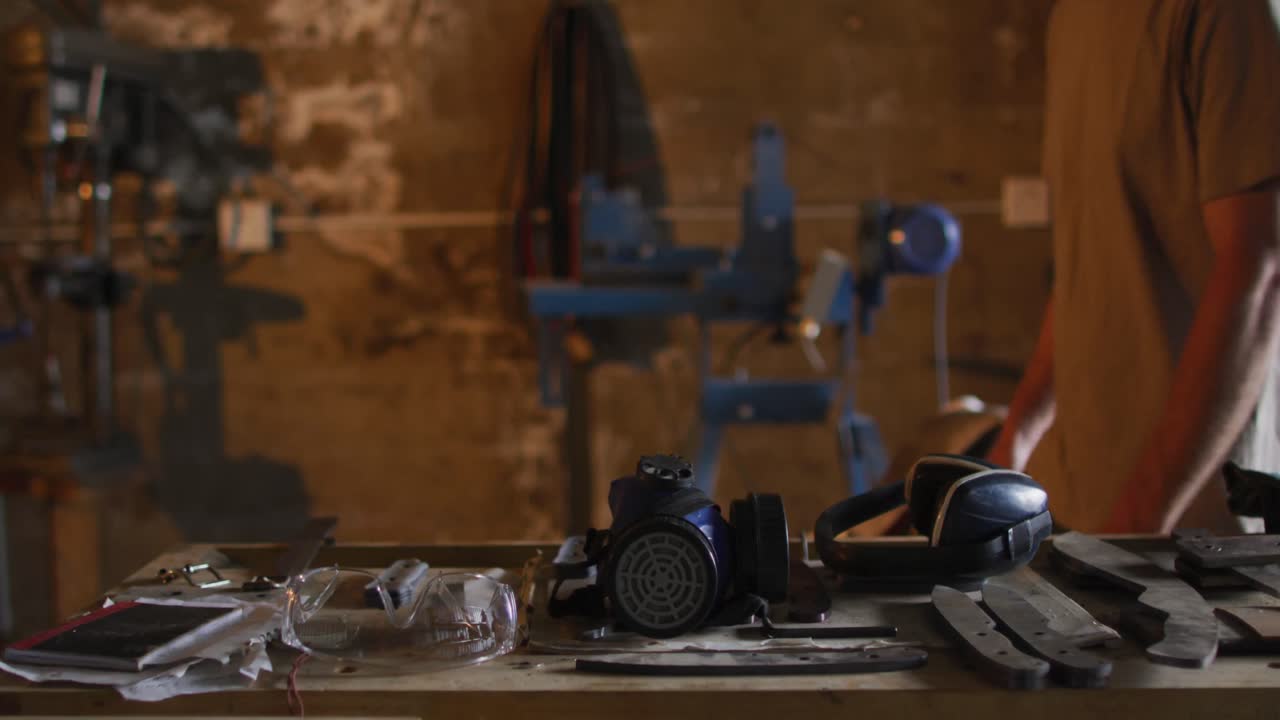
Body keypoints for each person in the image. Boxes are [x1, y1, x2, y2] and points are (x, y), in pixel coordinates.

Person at [989, 0, 1280, 534]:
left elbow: (1257, 269)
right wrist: (1014, 444)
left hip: (1188, 523)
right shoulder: (1073, 18)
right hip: (1082, 506)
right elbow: (1091, 263)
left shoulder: (1224, 14)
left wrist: (1143, 520)